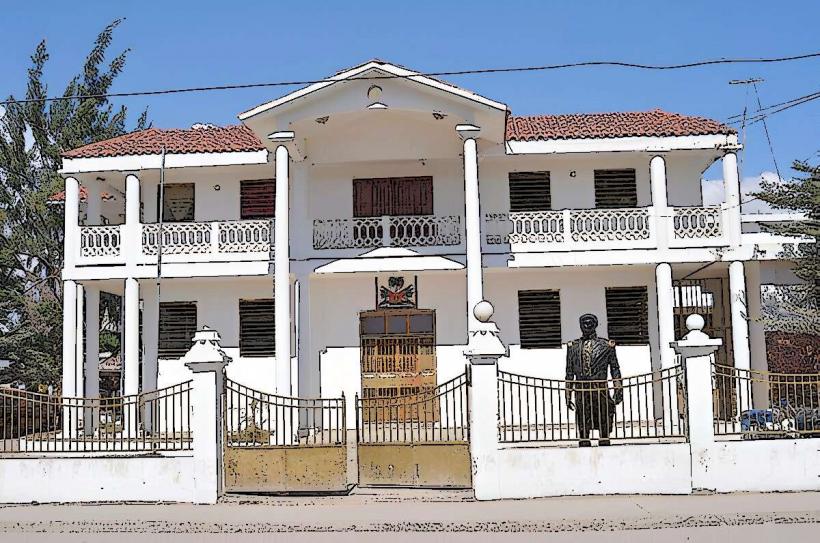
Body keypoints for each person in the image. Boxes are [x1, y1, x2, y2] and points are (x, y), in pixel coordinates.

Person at [565, 313, 623, 446]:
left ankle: (604, 438)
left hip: (600, 388)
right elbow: (569, 372)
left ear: (595, 324)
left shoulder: (606, 346)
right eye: (584, 323)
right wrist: (567, 394)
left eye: (590, 322)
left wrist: (618, 388)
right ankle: (584, 439)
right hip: (581, 389)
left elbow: (615, 369)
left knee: (604, 415)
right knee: (583, 417)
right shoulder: (573, 347)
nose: (587, 325)